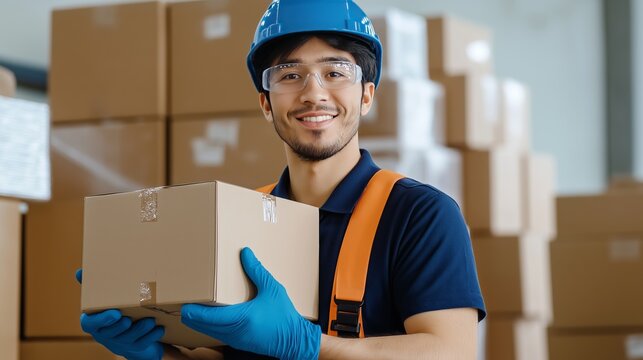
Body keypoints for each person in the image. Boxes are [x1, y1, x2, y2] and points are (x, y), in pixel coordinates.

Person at [77, 0, 486, 359]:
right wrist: (155, 354)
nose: (313, 93)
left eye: (335, 72)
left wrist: (308, 344)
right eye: (290, 75)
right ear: (265, 103)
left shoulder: (420, 215)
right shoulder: (242, 220)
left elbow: (449, 351)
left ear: (366, 94)